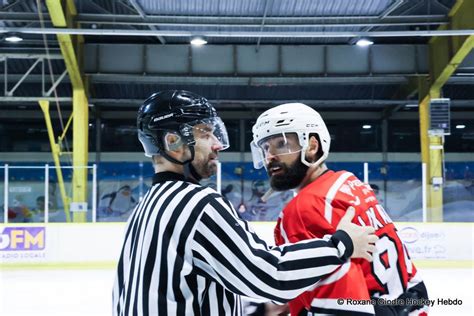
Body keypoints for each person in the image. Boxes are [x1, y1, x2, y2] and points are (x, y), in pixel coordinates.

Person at [112, 90, 378, 316]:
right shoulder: (196, 204)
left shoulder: (147, 207)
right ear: (174, 142)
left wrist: (261, 309)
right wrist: (340, 244)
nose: (217, 144)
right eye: (206, 134)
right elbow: (268, 274)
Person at [251, 103, 429, 315]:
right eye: (265, 148)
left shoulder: (303, 208)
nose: (270, 156)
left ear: (312, 146)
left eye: (281, 144)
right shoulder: (350, 184)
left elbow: (338, 303)